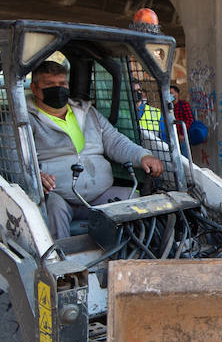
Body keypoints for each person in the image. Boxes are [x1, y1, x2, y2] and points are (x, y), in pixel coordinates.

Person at [28, 59, 166, 239]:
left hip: (99, 194)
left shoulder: (87, 112)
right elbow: (15, 159)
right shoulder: (25, 120)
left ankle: (134, 257)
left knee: (138, 202)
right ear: (35, 88)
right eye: (49, 84)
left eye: (62, 83)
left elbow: (115, 141)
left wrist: (143, 156)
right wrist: (35, 174)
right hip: (59, 197)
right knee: (52, 208)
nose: (58, 88)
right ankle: (61, 263)